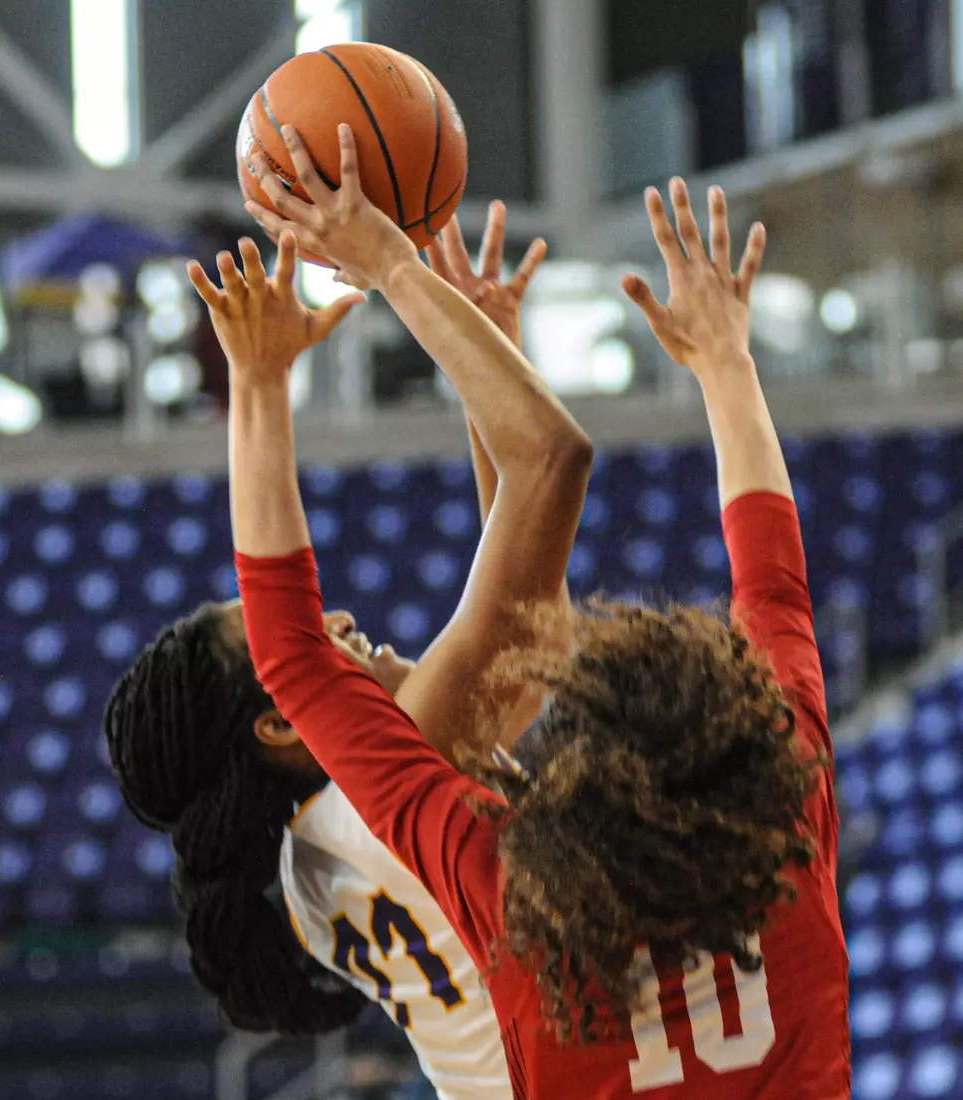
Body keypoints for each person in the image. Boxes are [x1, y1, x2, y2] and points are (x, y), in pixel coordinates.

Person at [227, 124, 850, 1099]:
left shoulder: (514, 890)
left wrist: (285, 367)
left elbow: (351, 652)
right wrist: (727, 362)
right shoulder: (786, 805)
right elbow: (768, 587)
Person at [104, 155, 591, 1096]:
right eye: (293, 635)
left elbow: (531, 643)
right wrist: (371, 296)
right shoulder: (382, 784)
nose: (329, 619)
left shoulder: (312, 862)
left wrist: (483, 359)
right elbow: (547, 483)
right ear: (281, 721)